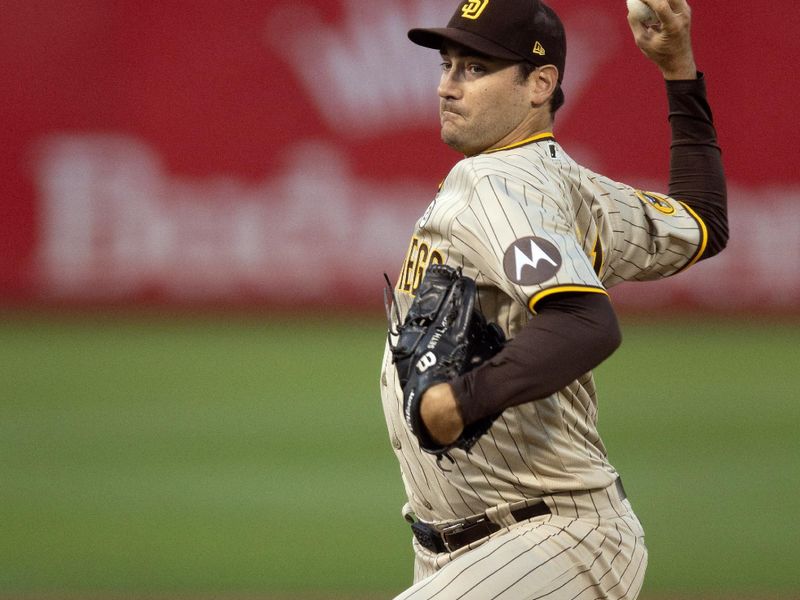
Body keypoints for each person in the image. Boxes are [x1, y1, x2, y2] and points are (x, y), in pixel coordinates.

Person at [379, 0, 727, 598]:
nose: (446, 86)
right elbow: (703, 221)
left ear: (540, 83)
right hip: (490, 547)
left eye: (474, 68)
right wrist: (678, 70)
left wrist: (458, 400)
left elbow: (585, 323)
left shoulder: (500, 182)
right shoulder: (572, 189)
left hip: (548, 540)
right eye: (447, 64)